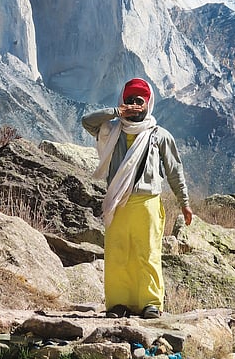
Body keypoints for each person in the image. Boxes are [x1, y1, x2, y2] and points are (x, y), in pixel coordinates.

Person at [82, 77, 193, 319]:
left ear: (148, 104)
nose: (135, 105)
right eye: (130, 100)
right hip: (118, 203)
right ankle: (118, 303)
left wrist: (184, 203)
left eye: (139, 101)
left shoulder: (159, 135)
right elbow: (87, 121)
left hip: (147, 203)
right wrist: (117, 112)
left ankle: (150, 303)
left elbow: (174, 170)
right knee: (118, 253)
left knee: (148, 252)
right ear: (123, 101)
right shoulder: (111, 130)